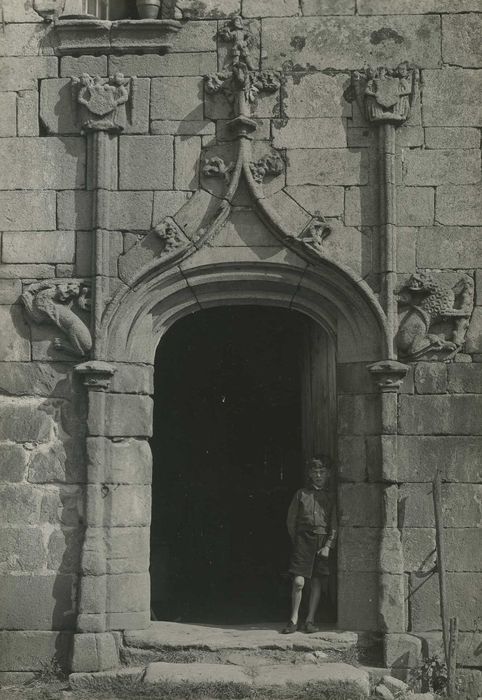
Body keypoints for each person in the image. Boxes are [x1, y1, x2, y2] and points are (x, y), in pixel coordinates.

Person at [281, 456, 337, 634]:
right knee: (298, 582)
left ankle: (310, 620)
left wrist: (328, 545)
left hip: (321, 542)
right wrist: (298, 542)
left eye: (322, 472)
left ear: (328, 475)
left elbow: (334, 524)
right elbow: (291, 521)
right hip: (303, 541)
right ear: (310, 475)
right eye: (315, 472)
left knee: (317, 581)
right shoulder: (301, 494)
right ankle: (293, 619)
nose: (318, 475)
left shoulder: (331, 497)